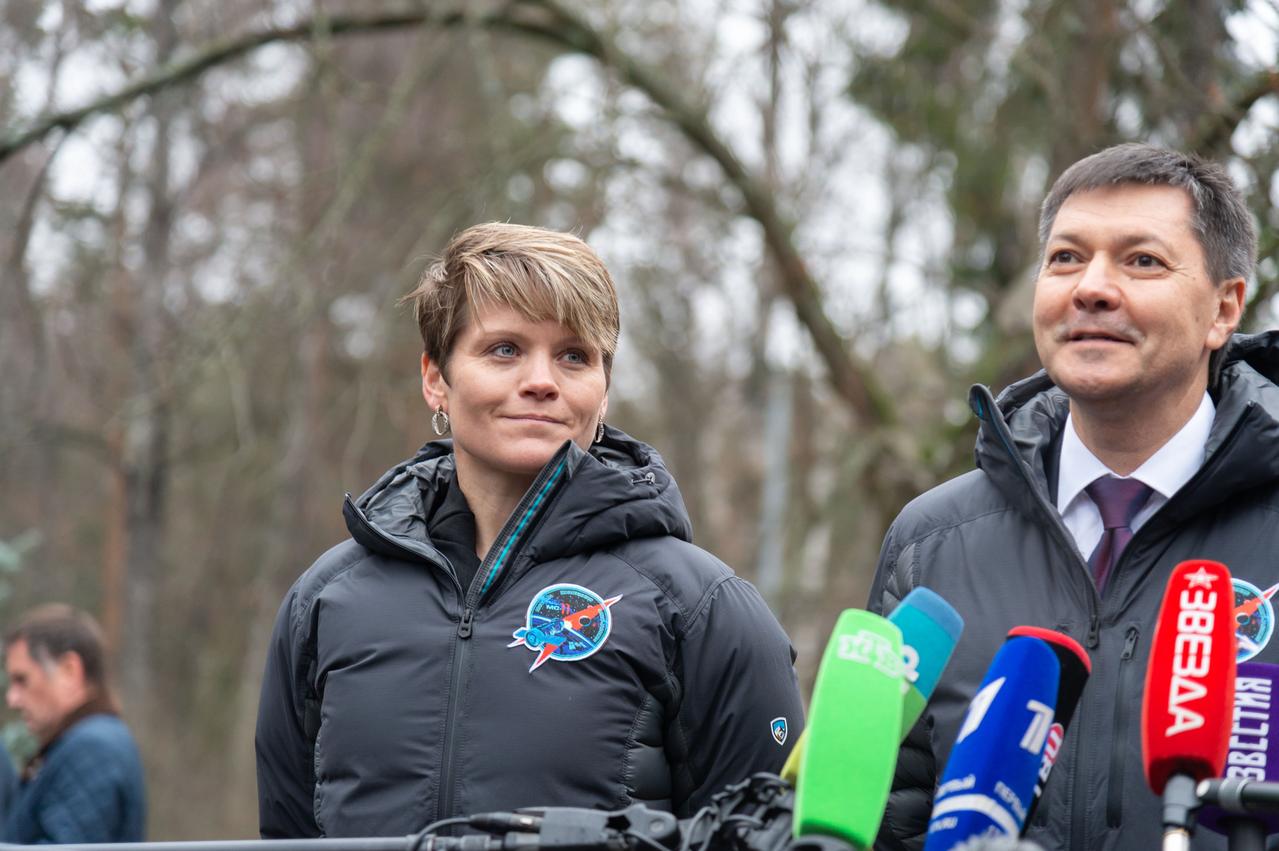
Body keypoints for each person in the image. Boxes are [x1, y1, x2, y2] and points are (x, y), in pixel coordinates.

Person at [256, 222, 805, 838]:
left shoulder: (703, 607)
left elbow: (768, 833)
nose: (542, 380)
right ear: (436, 376)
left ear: (603, 389)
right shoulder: (326, 602)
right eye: (504, 350)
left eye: (575, 356)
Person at [868, 143, 1273, 851]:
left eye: (1140, 260)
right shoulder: (929, 542)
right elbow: (884, 812)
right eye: (1064, 258)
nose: (1090, 287)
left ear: (1223, 308)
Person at [2, 604, 146, 843]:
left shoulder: (94, 750)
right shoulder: (84, 745)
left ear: (69, 670)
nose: (12, 699)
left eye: (22, 680)